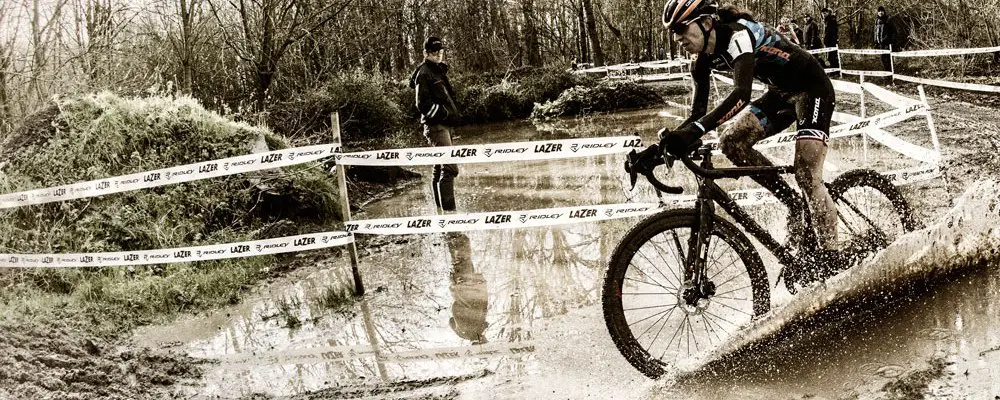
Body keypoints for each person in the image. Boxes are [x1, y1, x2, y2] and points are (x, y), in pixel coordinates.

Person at [658, 0, 849, 274]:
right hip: (779, 94)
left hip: (811, 89)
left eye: (681, 28)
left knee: (807, 175)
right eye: (672, 32)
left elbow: (741, 94)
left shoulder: (738, 35)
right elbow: (697, 114)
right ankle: (793, 203)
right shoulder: (699, 62)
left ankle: (833, 259)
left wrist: (695, 131)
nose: (677, 38)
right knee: (731, 142)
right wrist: (665, 144)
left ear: (707, 22)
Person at [410, 36, 460, 212]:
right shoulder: (424, 73)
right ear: (425, 53)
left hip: (442, 125)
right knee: (450, 168)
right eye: (433, 52)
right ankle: (449, 213)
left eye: (440, 51)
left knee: (439, 167)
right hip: (436, 126)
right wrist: (444, 114)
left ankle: (441, 213)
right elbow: (422, 104)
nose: (438, 55)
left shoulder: (436, 70)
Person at [446, 232, 488, 343]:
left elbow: (482, 310)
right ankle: (452, 238)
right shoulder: (462, 334)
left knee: (463, 260)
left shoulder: (479, 329)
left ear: (481, 340)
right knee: (459, 263)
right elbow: (451, 321)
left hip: (471, 289)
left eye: (485, 339)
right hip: (460, 290)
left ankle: (457, 236)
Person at [874, 6, 894, 72]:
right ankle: (887, 73)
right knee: (882, 59)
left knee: (888, 59)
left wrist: (892, 42)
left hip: (887, 43)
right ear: (877, 12)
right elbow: (875, 32)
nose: (880, 12)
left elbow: (893, 31)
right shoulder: (877, 21)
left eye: (882, 11)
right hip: (880, 44)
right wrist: (875, 42)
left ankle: (890, 75)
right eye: (879, 11)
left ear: (884, 12)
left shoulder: (888, 19)